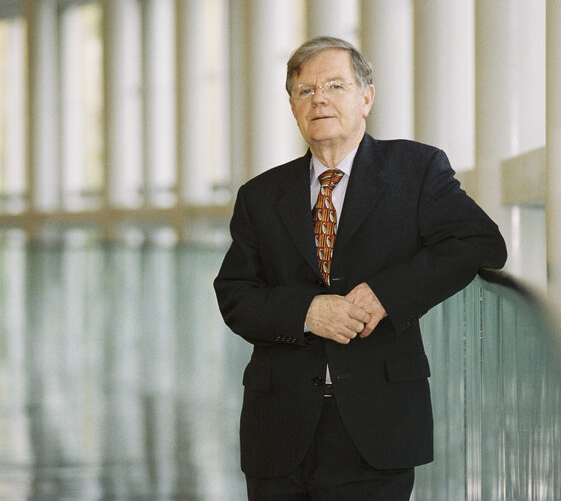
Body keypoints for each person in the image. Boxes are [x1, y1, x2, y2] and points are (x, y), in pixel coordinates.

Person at [214, 36, 506, 500]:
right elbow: (235, 294)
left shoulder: (416, 169)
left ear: (366, 97)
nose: (320, 99)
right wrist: (308, 312)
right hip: (279, 428)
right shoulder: (260, 195)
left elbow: (481, 243)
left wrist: (387, 294)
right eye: (305, 90)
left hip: (379, 424)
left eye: (335, 85)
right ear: (291, 105)